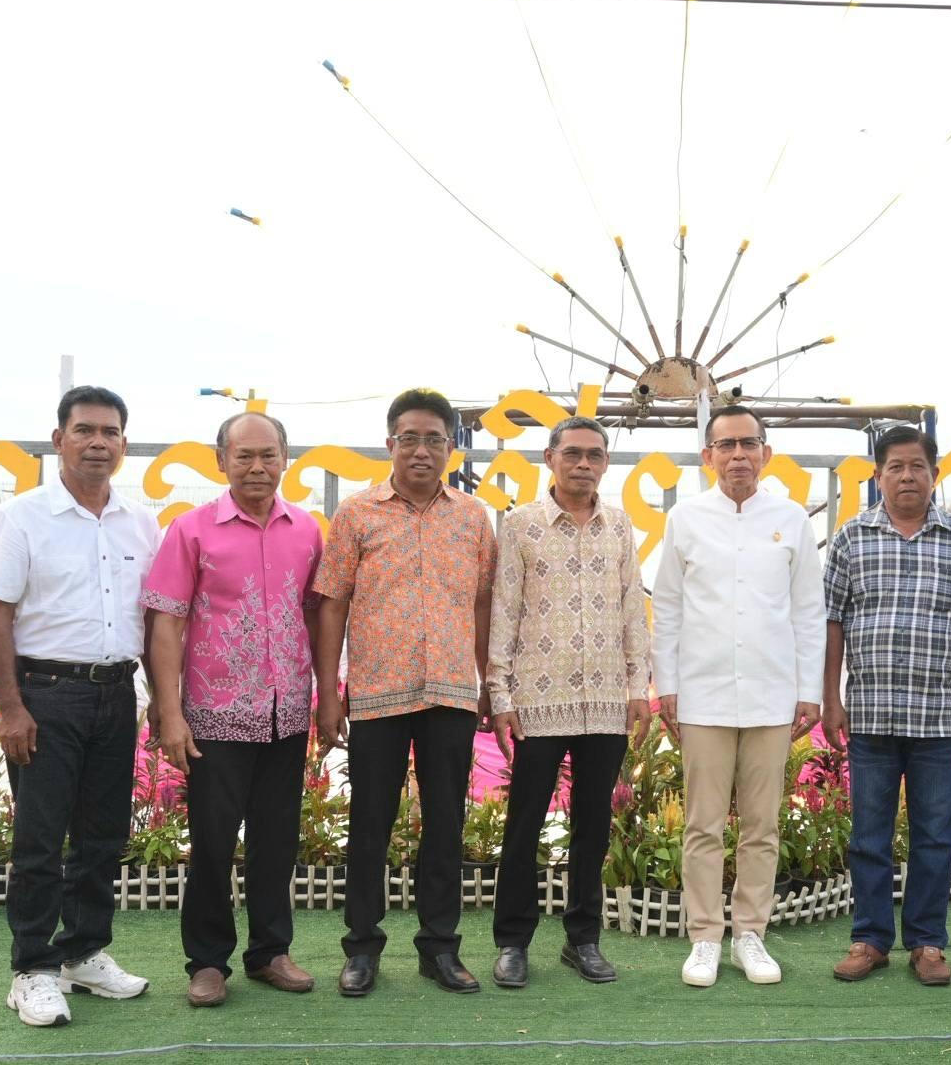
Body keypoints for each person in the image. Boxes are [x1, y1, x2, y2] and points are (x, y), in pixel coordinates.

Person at [0, 386, 161, 1027]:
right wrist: (12, 707)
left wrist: (161, 700)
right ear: (59, 440)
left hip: (117, 693)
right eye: (84, 430)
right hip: (46, 695)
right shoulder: (23, 516)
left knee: (102, 836)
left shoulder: (141, 522)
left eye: (110, 432)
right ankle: (31, 968)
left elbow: (153, 620)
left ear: (124, 444)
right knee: (39, 840)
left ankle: (83, 953)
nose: (97, 443)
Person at [312, 389, 496, 997]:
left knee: (445, 825)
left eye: (434, 440)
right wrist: (330, 693)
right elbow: (332, 604)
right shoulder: (357, 515)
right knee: (370, 824)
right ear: (390, 443)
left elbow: (483, 604)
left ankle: (440, 948)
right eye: (410, 439)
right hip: (377, 694)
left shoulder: (473, 518)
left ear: (451, 447)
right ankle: (361, 948)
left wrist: (487, 681)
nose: (422, 451)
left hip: (451, 694)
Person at [142, 412, 323, 1007]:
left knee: (277, 841)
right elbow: (165, 624)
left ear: (285, 459)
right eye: (244, 456)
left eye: (268, 455)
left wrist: (324, 695)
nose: (257, 467)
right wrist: (171, 712)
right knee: (213, 845)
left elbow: (316, 616)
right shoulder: (191, 530)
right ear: (221, 461)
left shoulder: (308, 531)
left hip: (285, 714)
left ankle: (270, 952)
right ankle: (207, 962)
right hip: (214, 718)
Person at [652, 404, 826, 988]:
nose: (738, 456)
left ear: (766, 454)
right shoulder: (685, 519)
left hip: (772, 693)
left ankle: (751, 932)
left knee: (761, 825)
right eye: (725, 445)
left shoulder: (791, 518)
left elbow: (808, 610)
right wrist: (668, 686)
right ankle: (705, 936)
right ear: (708, 456)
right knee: (702, 824)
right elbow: (668, 607)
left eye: (748, 444)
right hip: (701, 694)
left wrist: (808, 691)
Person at [822, 426, 951, 986]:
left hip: (938, 717)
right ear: (878, 476)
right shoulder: (851, 537)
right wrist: (831, 698)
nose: (906, 476)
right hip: (871, 713)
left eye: (916, 466)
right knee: (868, 836)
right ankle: (870, 939)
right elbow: (832, 621)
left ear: (934, 475)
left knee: (936, 837)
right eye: (895, 467)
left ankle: (927, 942)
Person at [486, 416, 651, 989]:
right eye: (573, 453)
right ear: (549, 458)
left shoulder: (619, 526)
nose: (584, 464)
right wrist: (500, 693)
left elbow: (632, 610)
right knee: (525, 823)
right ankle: (512, 942)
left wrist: (637, 687)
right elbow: (504, 610)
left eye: (595, 455)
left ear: (605, 463)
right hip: (538, 699)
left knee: (593, 824)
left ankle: (583, 939)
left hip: (605, 700)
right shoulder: (520, 526)